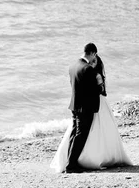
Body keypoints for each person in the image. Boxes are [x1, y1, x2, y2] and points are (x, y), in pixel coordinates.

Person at [50, 44, 132, 173]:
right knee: (81, 135)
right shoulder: (88, 69)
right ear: (93, 53)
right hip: (86, 107)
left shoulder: (73, 66)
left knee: (74, 133)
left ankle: (70, 162)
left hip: (75, 105)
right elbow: (97, 90)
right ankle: (71, 166)